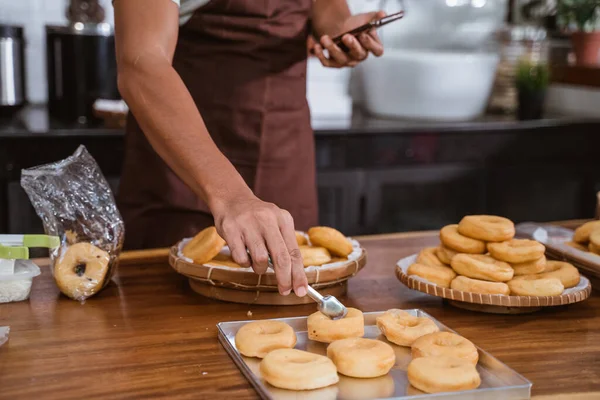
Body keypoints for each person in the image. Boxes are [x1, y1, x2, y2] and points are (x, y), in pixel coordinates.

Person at [113, 0, 385, 298]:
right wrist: (230, 195)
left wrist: (338, 28)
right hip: (187, 157)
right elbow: (142, 63)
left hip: (284, 152)